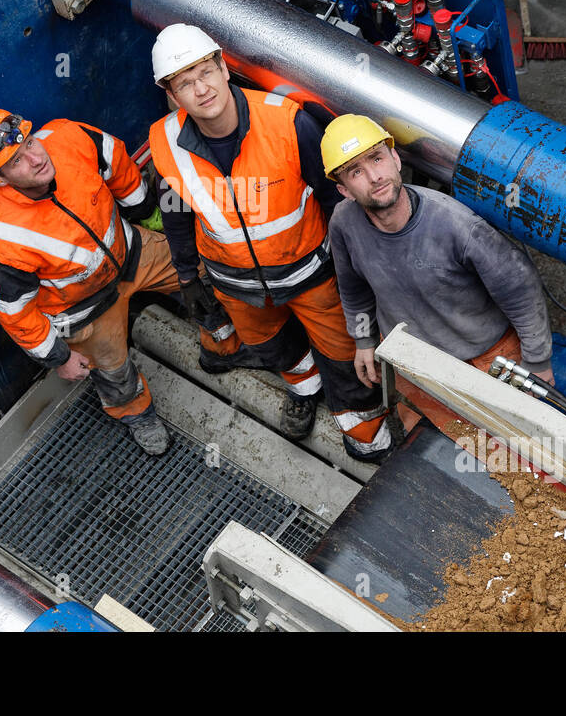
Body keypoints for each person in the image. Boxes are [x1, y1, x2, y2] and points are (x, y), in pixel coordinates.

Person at [147, 24, 392, 463]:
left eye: (206, 72)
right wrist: (187, 276)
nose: (201, 90)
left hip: (311, 277)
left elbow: (335, 203)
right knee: (275, 348)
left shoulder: (288, 123)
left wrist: (357, 270)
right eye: (185, 83)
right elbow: (176, 212)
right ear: (171, 93)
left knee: (345, 356)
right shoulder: (165, 143)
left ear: (224, 67)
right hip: (236, 288)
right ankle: (306, 390)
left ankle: (366, 434)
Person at [0, 107, 233, 455]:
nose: (35, 158)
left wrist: (143, 210)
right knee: (113, 372)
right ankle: (137, 414)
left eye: (29, 142)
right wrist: (59, 358)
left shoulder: (69, 137)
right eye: (16, 161)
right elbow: (14, 314)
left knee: (204, 271)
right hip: (84, 309)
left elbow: (116, 160)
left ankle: (221, 346)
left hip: (130, 253)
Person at [322, 114, 554, 395]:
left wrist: (537, 361)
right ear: (344, 190)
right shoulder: (344, 223)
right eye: (356, 172)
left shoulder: (458, 226)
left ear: (395, 159)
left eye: (377, 158)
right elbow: (352, 287)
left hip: (484, 355)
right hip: (412, 358)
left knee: (506, 424)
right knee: (426, 424)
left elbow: (519, 286)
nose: (374, 177)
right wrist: (364, 340)